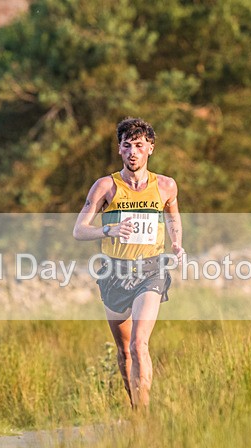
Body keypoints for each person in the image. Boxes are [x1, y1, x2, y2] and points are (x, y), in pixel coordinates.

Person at [73, 117, 184, 409]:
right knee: (124, 352)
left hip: (151, 270)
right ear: (119, 150)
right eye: (127, 146)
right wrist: (107, 229)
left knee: (138, 343)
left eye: (139, 145)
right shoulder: (105, 187)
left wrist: (177, 244)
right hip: (114, 272)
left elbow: (173, 217)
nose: (133, 151)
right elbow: (79, 230)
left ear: (150, 149)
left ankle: (144, 421)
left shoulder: (165, 186)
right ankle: (135, 409)